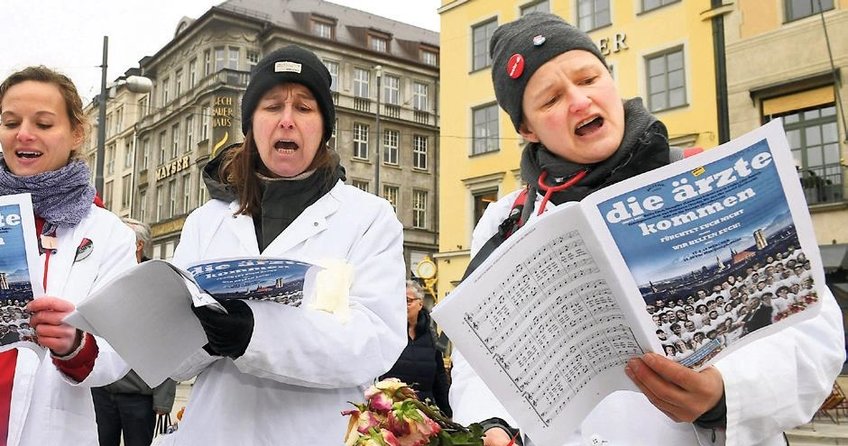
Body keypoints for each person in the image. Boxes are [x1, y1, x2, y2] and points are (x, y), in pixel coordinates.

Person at [448, 12, 844, 446]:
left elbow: (813, 335)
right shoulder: (506, 222)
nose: (580, 101)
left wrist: (723, 394)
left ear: (611, 80)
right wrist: (490, 425)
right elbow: (480, 360)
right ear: (527, 128)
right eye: (551, 99)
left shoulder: (706, 175)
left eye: (588, 78)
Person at [159, 45, 406, 444]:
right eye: (272, 106)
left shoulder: (369, 218)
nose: (287, 121)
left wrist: (254, 335)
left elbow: (375, 342)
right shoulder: (206, 222)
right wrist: (205, 335)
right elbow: (175, 362)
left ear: (324, 128)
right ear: (251, 125)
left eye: (305, 109)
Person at [0, 66, 137, 445]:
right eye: (11, 121)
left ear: (77, 133)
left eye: (43, 123)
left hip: (48, 429)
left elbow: (120, 347)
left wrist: (74, 343)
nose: (24, 133)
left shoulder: (108, 233)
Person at [91, 217, 177, 446]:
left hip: (139, 395)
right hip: (100, 390)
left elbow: (170, 342)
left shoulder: (159, 282)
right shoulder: (99, 276)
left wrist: (163, 399)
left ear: (139, 244)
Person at [381, 280, 452, 416]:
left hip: (425, 410)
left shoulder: (431, 335)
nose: (403, 305)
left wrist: (447, 411)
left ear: (420, 303)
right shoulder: (388, 332)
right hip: (394, 410)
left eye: (408, 301)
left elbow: (439, 376)